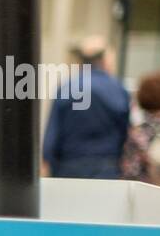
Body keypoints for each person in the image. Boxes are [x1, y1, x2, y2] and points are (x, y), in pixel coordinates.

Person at [43, 35, 130, 179]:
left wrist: (47, 159)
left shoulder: (67, 87)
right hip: (106, 167)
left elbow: (53, 131)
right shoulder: (118, 89)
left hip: (68, 166)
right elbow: (125, 131)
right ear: (105, 59)